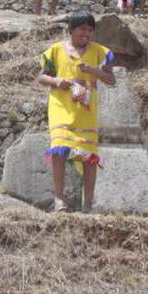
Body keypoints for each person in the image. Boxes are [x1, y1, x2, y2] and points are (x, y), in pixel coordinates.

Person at [36, 11, 115, 213]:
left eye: (90, 30)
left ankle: (88, 204)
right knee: (59, 147)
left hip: (86, 108)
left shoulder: (100, 52)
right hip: (61, 104)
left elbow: (110, 80)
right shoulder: (54, 50)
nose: (86, 34)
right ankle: (59, 199)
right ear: (71, 30)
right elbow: (41, 77)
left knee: (88, 154)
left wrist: (93, 71)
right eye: (82, 29)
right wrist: (56, 81)